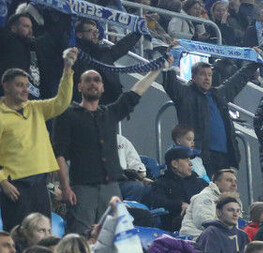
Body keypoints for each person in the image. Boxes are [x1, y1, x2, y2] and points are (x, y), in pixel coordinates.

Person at [53, 61, 165, 234]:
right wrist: (65, 187)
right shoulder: (67, 115)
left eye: (97, 80)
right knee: (80, 236)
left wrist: (156, 69)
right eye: (88, 80)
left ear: (102, 87)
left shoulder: (109, 113)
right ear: (79, 87)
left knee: (114, 236)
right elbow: (59, 154)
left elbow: (135, 93)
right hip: (83, 187)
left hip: (111, 188)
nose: (93, 83)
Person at [0, 48, 77, 230]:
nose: (25, 90)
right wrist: (2, 182)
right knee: (18, 235)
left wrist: (67, 70)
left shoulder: (36, 108)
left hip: (40, 184)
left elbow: (62, 102)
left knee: (43, 234)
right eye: (20, 85)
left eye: (27, 85)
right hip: (15, 186)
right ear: (6, 86)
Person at [161, 55, 261, 175]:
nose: (207, 78)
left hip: (224, 156)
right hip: (200, 155)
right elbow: (170, 84)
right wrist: (168, 65)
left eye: (209, 75)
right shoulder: (185, 94)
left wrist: (255, 62)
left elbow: (238, 80)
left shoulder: (218, 94)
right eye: (202, 74)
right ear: (193, 76)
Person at [179, 168, 238, 238]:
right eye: (229, 180)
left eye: (235, 181)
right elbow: (204, 222)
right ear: (216, 183)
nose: (234, 184)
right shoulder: (205, 197)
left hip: (216, 238)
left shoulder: (234, 202)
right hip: (196, 239)